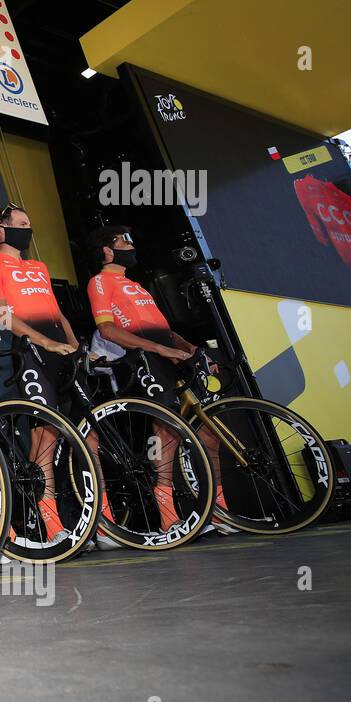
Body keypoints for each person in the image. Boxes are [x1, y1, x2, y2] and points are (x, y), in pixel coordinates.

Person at [85, 225, 223, 533]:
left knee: (210, 433)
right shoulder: (99, 282)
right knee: (167, 431)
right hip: (142, 357)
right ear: (107, 250)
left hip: (169, 353)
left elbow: (164, 326)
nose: (131, 245)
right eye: (124, 241)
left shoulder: (136, 284)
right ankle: (167, 515)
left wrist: (193, 350)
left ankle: (219, 510)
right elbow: (108, 330)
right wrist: (159, 348)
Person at [0, 204, 88, 545]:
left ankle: (101, 521)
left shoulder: (37, 266)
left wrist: (71, 344)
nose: (28, 229)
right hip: (31, 353)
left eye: (29, 223)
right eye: (21, 224)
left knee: (87, 435)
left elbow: (57, 310)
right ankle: (51, 525)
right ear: (1, 230)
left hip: (63, 351)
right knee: (45, 439)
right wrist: (43, 342)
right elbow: (2, 317)